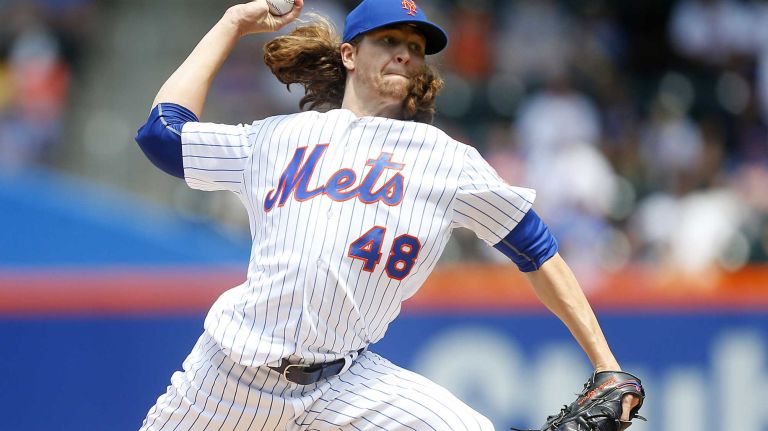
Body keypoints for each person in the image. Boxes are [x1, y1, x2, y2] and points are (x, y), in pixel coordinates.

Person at [134, 0, 640, 429]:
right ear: (349, 55)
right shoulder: (281, 136)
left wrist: (607, 365)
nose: (405, 50)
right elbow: (162, 135)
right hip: (228, 375)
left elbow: (536, 248)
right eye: (389, 39)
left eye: (416, 47)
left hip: (346, 385)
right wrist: (233, 22)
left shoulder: (446, 160)